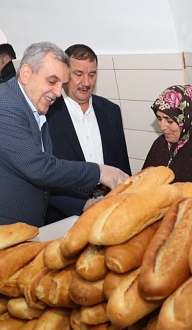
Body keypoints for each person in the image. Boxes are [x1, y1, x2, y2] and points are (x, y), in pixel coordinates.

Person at [0, 42, 129, 268]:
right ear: (26, 73)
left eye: (61, 84)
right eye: (52, 81)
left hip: (13, 234)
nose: (58, 92)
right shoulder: (2, 103)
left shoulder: (33, 108)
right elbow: (39, 167)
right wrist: (100, 172)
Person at [44, 44, 131, 224]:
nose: (86, 82)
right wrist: (82, 205)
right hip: (63, 219)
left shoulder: (111, 111)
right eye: (79, 74)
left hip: (109, 213)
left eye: (92, 75)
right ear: (65, 74)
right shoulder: (47, 115)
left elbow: (121, 167)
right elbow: (43, 177)